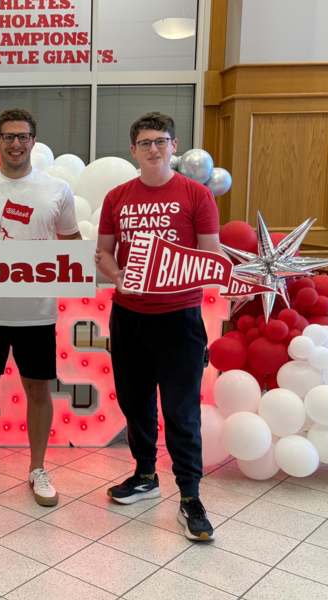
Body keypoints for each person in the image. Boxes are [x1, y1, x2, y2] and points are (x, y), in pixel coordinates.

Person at [95, 112, 220, 541]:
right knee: (136, 403)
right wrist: (118, 277)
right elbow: (104, 253)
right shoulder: (117, 197)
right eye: (145, 142)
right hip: (129, 316)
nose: (154, 149)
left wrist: (176, 275)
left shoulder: (196, 195)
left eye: (161, 141)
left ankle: (190, 497)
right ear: (133, 150)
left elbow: (210, 254)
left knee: (181, 411)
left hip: (179, 318)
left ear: (174, 146)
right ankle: (145, 474)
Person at [0, 108, 80, 507]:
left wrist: (96, 262)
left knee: (38, 390)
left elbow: (73, 245)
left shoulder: (57, 190)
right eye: (8, 136)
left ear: (33, 141)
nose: (15, 144)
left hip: (37, 313)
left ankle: (37, 468)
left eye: (23, 136)